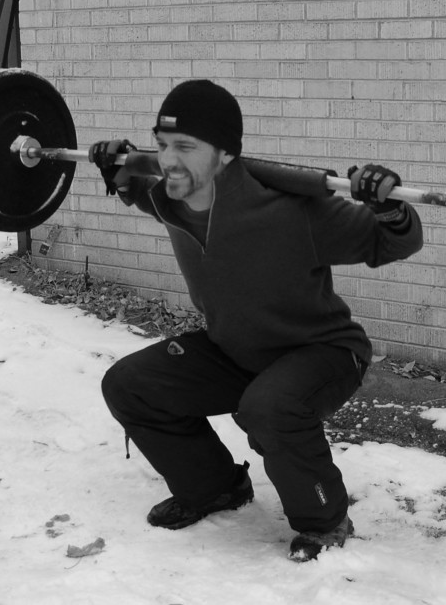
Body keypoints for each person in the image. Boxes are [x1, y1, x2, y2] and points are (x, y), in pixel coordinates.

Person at [90, 79, 424, 561]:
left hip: (322, 351)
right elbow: (141, 189)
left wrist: (388, 207)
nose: (167, 160)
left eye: (186, 147)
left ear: (224, 154)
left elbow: (393, 242)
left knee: (268, 408)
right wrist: (119, 169)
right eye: (162, 146)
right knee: (129, 384)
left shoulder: (292, 209)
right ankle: (214, 489)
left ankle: (325, 520)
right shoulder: (170, 197)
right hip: (236, 350)